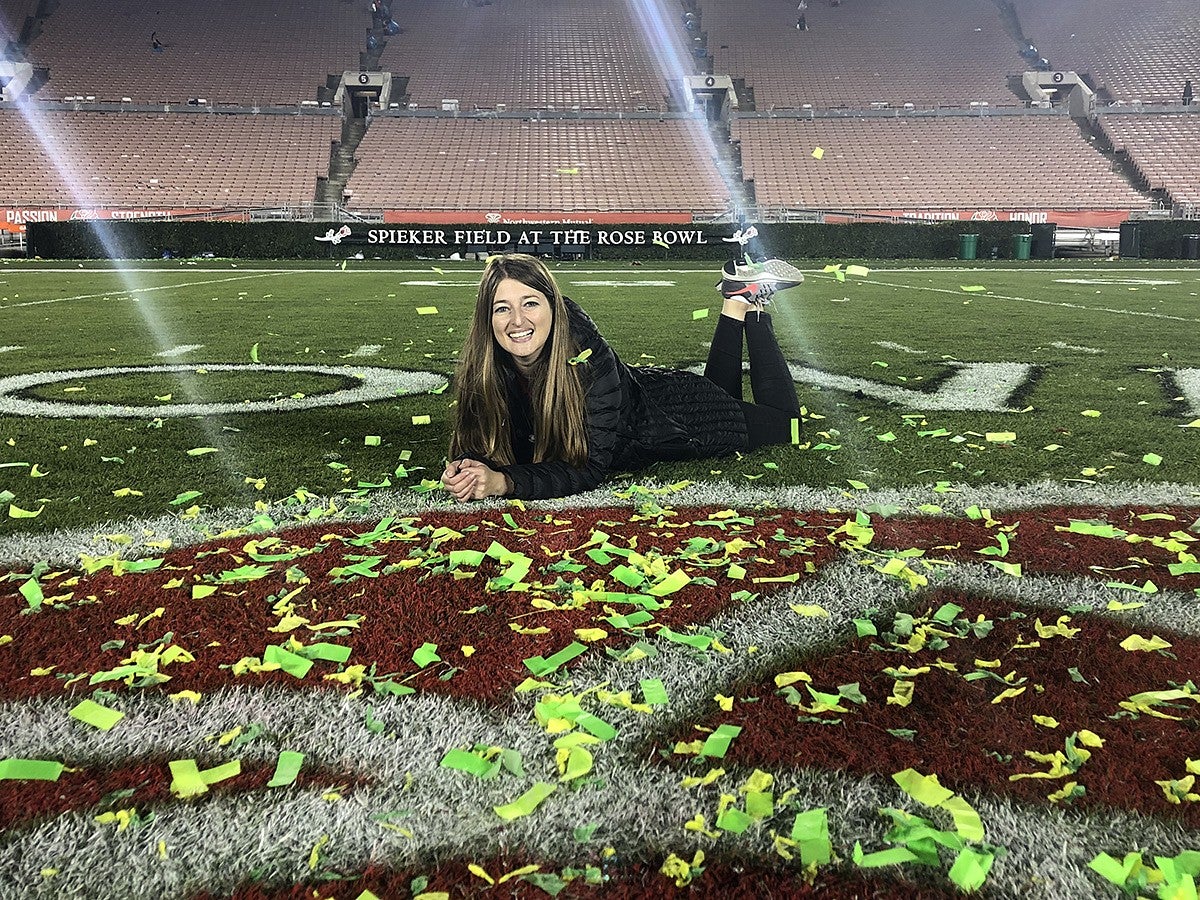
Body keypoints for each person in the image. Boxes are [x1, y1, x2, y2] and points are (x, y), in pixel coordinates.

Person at [441, 253, 805, 501]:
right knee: (719, 393)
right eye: (502, 308)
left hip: (676, 422)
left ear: (553, 306)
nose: (517, 321)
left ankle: (755, 308)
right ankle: (734, 299)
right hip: (653, 391)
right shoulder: (483, 366)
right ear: (488, 320)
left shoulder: (585, 360)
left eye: (530, 303)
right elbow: (481, 439)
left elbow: (587, 467)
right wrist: (469, 466)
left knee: (787, 426)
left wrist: (504, 482)